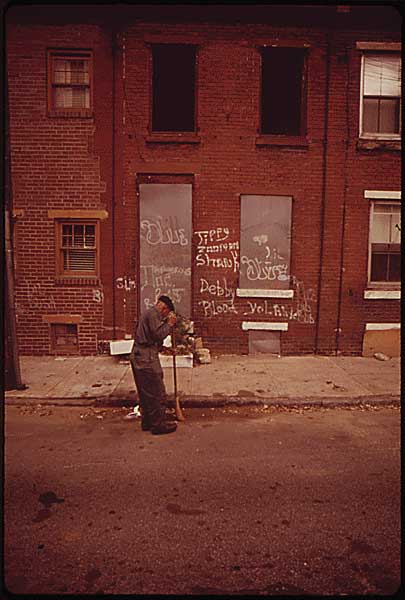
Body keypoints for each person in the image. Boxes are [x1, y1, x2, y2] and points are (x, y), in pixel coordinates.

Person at [130, 295, 178, 435]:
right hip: (146, 357)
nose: (165, 316)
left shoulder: (148, 313)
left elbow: (151, 337)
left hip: (140, 353)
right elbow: (157, 334)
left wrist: (164, 348)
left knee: (145, 392)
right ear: (164, 308)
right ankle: (158, 425)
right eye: (166, 313)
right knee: (157, 392)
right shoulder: (153, 314)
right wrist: (169, 324)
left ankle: (147, 422)